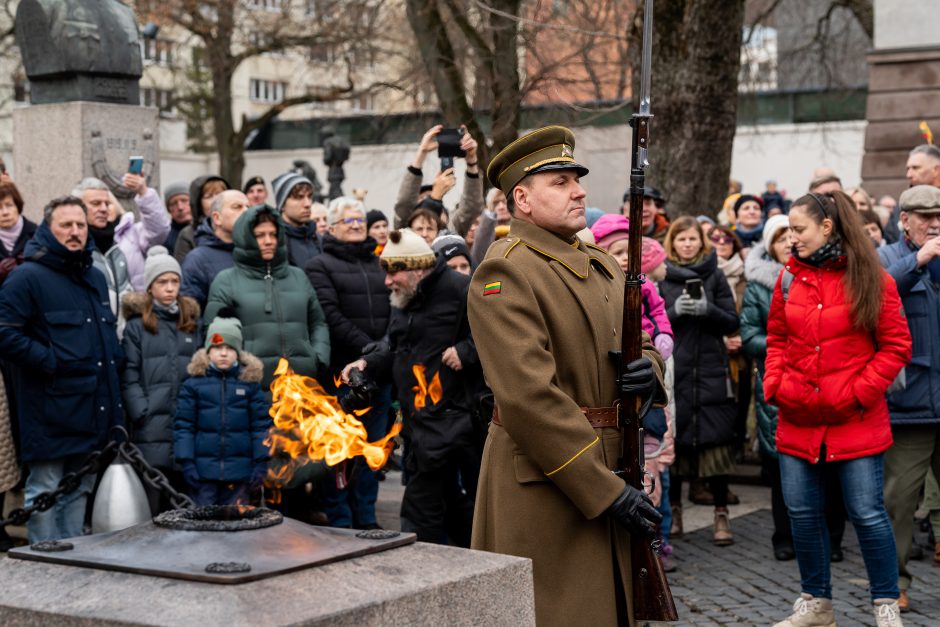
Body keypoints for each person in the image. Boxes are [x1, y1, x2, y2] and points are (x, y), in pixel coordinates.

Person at [467, 126, 665, 625]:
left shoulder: (600, 263)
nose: (578, 190)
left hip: (609, 466)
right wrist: (601, 488)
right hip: (547, 480)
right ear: (522, 199)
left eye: (576, 179)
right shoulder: (505, 272)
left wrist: (650, 372)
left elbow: (639, 337)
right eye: (560, 181)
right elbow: (528, 398)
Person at [764, 190, 910, 627]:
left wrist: (858, 392)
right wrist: (775, 383)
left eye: (799, 229)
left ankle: (885, 602)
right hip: (798, 415)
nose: (792, 237)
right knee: (803, 515)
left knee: (866, 513)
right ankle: (817, 604)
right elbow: (776, 338)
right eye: (789, 229)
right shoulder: (788, 278)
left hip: (856, 419)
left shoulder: (871, 278)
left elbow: (896, 346)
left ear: (826, 227)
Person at [343, 228, 486, 545]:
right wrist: (367, 364)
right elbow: (394, 348)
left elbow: (500, 334)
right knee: (435, 511)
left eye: (394, 272)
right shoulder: (404, 299)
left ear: (418, 268)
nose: (387, 282)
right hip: (421, 427)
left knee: (452, 512)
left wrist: (468, 351)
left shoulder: (463, 289)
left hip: (462, 423)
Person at [0, 195, 124, 542]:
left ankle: (75, 563)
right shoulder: (27, 277)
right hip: (48, 410)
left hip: (90, 408)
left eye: (80, 225)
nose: (75, 232)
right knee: (45, 490)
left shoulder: (95, 277)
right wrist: (50, 361)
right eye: (66, 225)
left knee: (80, 488)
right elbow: (5, 334)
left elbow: (105, 340)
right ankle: (44, 569)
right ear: (48, 229)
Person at [305, 198, 390, 530]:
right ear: (333, 227)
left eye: (359, 220)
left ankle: (367, 518)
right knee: (338, 451)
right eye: (348, 221)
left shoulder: (381, 263)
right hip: (340, 376)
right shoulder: (319, 265)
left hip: (378, 373)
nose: (356, 225)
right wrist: (368, 350)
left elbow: (394, 311)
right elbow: (330, 315)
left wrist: (376, 355)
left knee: (372, 448)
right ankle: (340, 519)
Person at [878, 185, 940, 613]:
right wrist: (916, 262)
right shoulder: (885, 259)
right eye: (924, 217)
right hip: (910, 405)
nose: (935, 224)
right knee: (898, 500)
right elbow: (873, 298)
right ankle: (894, 582)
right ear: (904, 220)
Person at [660, 215, 740, 545]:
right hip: (676, 369)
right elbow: (655, 320)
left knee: (716, 446)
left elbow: (731, 321)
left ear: (701, 241)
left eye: (693, 239)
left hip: (709, 368)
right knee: (677, 446)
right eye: (681, 239)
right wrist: (676, 311)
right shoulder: (663, 276)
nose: (688, 244)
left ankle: (721, 515)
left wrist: (707, 309)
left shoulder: (716, 274)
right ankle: (675, 511)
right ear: (673, 243)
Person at [205, 205, 330, 388]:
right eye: (260, 235)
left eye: (273, 234)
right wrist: (238, 370)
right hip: (250, 389)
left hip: (303, 388)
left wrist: (318, 358)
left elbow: (318, 323)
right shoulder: (226, 281)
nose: (268, 241)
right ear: (246, 238)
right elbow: (215, 334)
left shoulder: (298, 276)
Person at [121, 246, 201, 514]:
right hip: (151, 421)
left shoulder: (189, 323)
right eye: (162, 282)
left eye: (174, 281)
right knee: (153, 491)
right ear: (150, 287)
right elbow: (129, 372)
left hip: (185, 420)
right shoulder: (137, 326)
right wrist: (140, 410)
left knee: (182, 494)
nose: (169, 288)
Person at [740, 214, 793, 561]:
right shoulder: (759, 285)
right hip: (775, 376)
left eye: (793, 234)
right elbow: (750, 335)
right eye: (781, 237)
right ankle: (784, 535)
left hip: (816, 379)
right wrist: (784, 344)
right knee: (778, 464)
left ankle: (827, 536)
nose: (788, 241)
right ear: (770, 246)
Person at [174, 316, 270, 507]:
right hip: (203, 475)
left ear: (238, 353)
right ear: (208, 352)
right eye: (217, 348)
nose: (223, 354)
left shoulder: (250, 385)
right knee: (204, 527)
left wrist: (260, 464)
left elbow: (261, 427)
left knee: (236, 528)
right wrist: (187, 462)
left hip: (240, 475)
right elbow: (184, 426)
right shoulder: (193, 385)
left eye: (229, 348)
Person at [74, 176, 171, 325]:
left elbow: (159, 231)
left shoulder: (127, 233)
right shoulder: (74, 243)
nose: (104, 208)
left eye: (107, 203)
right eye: (96, 203)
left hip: (131, 327)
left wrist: (144, 193)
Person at [392, 124, 484, 239]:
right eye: (422, 201)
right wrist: (421, 153)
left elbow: (472, 206)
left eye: (430, 197)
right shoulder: (406, 231)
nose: (425, 232)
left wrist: (471, 161)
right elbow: (404, 204)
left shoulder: (452, 228)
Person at [179, 190, 249, 311]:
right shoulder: (197, 260)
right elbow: (190, 315)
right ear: (217, 218)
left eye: (248, 207)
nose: (246, 211)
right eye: (237, 207)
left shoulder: (258, 252)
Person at [173, 175, 230, 263]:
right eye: (209, 196)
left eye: (219, 194)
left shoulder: (238, 229)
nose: (216, 200)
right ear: (199, 204)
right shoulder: (188, 235)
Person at [272, 172, 322, 269]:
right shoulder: (273, 241)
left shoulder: (319, 239)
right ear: (282, 205)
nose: (307, 204)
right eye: (299, 197)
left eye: (309, 196)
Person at [0, 182, 38, 284]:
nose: (5, 212)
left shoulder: (38, 234)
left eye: (9, 205)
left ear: (18, 206)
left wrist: (32, 261)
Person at [162, 181, 192, 254]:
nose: (180, 207)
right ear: (169, 209)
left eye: (184, 201)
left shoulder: (208, 230)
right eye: (174, 203)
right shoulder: (166, 238)